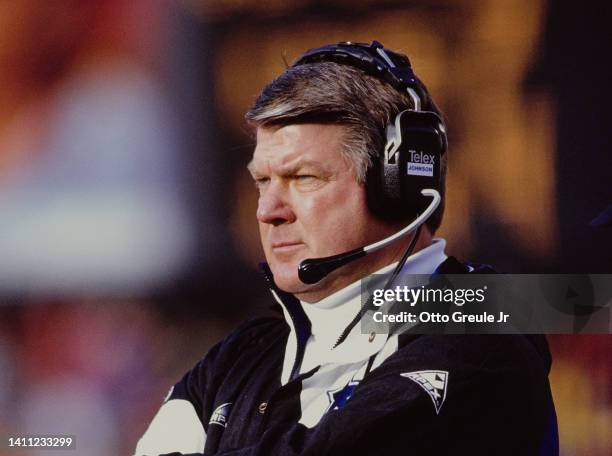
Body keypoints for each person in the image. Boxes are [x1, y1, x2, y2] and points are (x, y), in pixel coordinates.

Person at [134, 41, 558, 456]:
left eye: (303, 178)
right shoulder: (239, 359)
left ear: (398, 187)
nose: (267, 211)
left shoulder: (486, 331)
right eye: (263, 182)